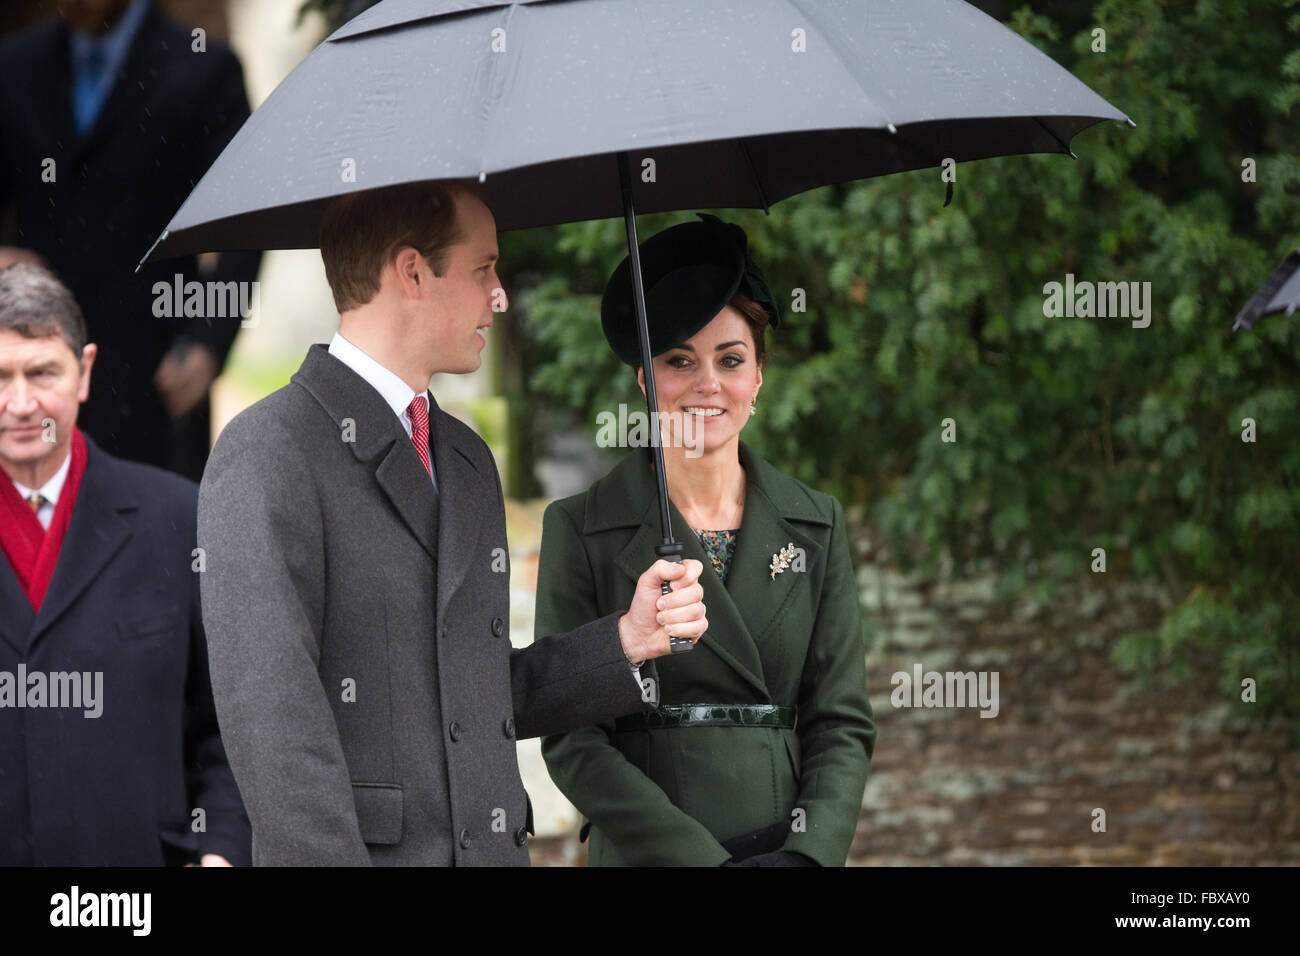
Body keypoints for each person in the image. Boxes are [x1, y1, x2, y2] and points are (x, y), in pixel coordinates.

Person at [197, 181, 708, 866]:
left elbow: (475, 691)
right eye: (484, 269)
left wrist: (627, 640)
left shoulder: (466, 458)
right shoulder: (268, 452)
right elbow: (273, 727)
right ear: (412, 272)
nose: (500, 294)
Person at [537, 214, 875, 866]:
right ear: (643, 380)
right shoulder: (580, 529)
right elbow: (572, 739)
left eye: (731, 359)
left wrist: (807, 854)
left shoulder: (817, 525)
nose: (708, 385)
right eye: (679, 360)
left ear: (758, 378)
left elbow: (842, 723)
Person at [0, 263, 249, 866]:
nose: (22, 402)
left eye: (42, 372)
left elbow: (233, 726)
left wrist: (219, 853)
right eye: (0, 376)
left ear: (85, 371)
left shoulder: (179, 521)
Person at [0, 0, 262, 480]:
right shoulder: (13, 65)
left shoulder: (205, 67)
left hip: (153, 380)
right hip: (31, 374)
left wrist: (208, 340)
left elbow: (246, 219)